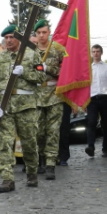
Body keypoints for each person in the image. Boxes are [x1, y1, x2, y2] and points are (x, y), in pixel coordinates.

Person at [0, 24, 47, 193]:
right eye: (6, 38)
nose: (9, 40)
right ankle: (7, 179)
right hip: (5, 107)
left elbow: (41, 77)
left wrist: (25, 72)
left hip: (26, 106)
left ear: (18, 38)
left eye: (12, 37)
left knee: (29, 142)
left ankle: (32, 173)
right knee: (5, 143)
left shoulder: (31, 55)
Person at [33, 19, 66, 179]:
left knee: (53, 131)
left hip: (54, 94)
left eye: (44, 32)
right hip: (36, 96)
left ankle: (51, 163)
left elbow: (67, 71)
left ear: (49, 32)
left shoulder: (58, 50)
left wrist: (49, 68)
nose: (41, 35)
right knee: (38, 131)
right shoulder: (29, 52)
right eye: (38, 33)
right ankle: (40, 158)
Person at [85, 44, 107, 158]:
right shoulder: (88, 68)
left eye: (98, 51)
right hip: (92, 99)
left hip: (105, 98)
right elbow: (85, 86)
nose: (95, 53)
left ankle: (105, 148)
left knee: (106, 124)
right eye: (93, 51)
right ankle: (91, 147)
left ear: (101, 53)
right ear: (91, 53)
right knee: (91, 122)